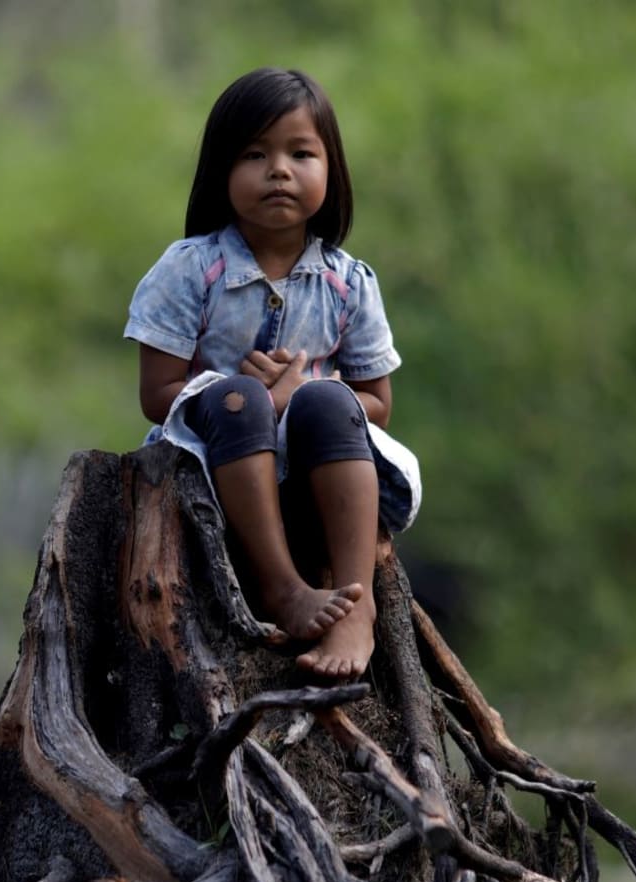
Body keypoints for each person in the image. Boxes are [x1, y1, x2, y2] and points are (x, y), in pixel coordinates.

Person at [125, 67, 419, 680]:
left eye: (300, 153)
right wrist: (255, 394)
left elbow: (376, 403)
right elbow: (158, 397)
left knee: (329, 402)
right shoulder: (190, 270)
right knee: (237, 400)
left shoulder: (349, 283)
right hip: (215, 451)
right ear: (220, 172)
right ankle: (283, 587)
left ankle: (355, 607)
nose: (278, 169)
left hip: (319, 450)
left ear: (330, 169)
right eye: (255, 154)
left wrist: (299, 394)